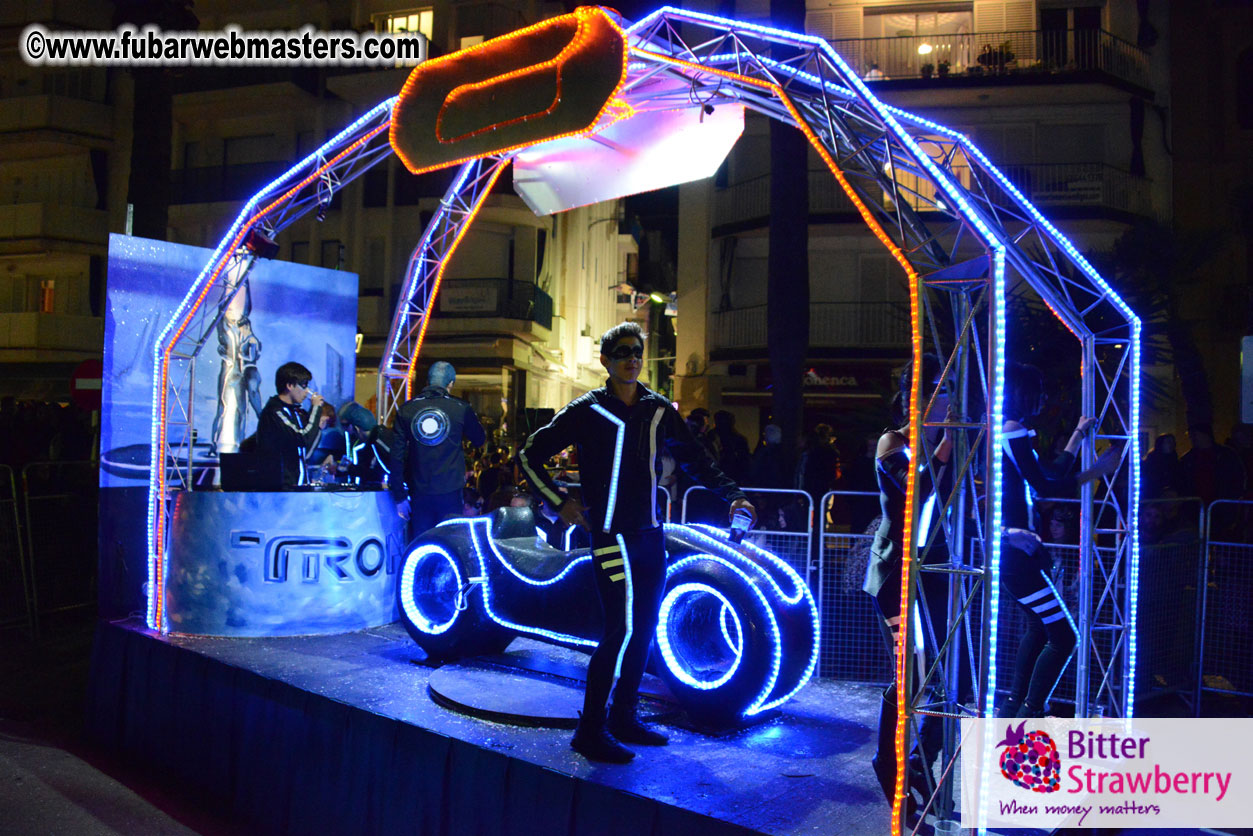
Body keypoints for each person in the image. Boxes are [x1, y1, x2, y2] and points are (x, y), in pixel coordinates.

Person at [518, 321, 756, 764]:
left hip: (650, 535)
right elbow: (529, 453)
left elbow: (696, 460)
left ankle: (624, 716)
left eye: (637, 352)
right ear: (605, 360)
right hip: (611, 538)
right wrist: (558, 501)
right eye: (623, 351)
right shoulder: (588, 410)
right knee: (620, 631)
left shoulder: (657, 408)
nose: (632, 358)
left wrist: (734, 495)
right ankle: (589, 729)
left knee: (644, 629)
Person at [998, 362, 1120, 719]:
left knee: (1039, 627)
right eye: (1039, 390)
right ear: (1024, 392)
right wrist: (1096, 471)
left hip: (1018, 552)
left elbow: (1045, 477)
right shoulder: (1012, 430)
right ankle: (1029, 712)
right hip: (1016, 554)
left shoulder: (1008, 432)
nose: (1044, 398)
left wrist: (1079, 436)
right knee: (1064, 636)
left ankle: (1017, 711)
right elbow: (1046, 485)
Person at [863, 354, 956, 819]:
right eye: (940, 388)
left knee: (945, 679)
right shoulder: (892, 442)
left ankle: (918, 765)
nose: (949, 397)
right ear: (915, 394)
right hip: (898, 578)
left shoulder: (955, 445)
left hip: (938, 575)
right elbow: (915, 490)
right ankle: (891, 766)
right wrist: (943, 445)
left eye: (952, 387)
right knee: (911, 679)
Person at [390, 361, 486, 538]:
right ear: (450, 384)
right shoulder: (460, 408)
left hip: (418, 491)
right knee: (449, 543)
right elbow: (480, 439)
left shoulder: (406, 410)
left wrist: (399, 495)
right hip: (450, 490)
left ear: (427, 382)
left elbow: (396, 456)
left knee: (421, 546)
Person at [255, 361, 324, 487]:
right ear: (290, 385)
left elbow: (307, 445)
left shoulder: (296, 411)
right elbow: (302, 438)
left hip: (296, 486)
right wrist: (315, 409)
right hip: (279, 488)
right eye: (303, 386)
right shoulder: (275, 411)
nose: (307, 392)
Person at [338, 401, 394, 486]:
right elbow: (369, 471)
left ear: (357, 429)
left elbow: (396, 466)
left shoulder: (379, 441)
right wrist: (349, 468)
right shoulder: (375, 441)